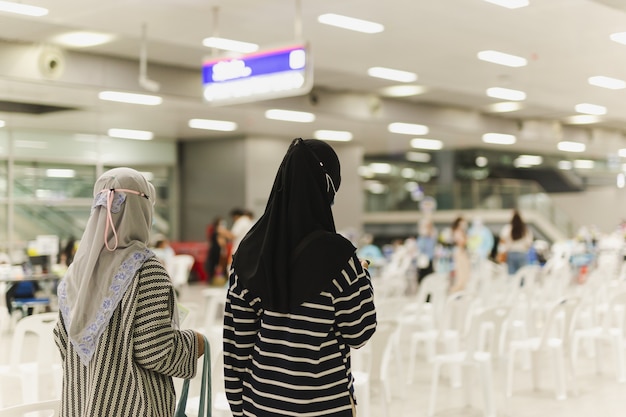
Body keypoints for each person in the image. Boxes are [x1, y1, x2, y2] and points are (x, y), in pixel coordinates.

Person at [223, 138, 377, 417]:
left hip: (261, 405)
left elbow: (237, 348)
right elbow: (360, 331)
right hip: (325, 405)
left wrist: (239, 411)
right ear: (326, 187)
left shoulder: (248, 253)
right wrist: (362, 276)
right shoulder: (339, 257)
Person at [53, 167, 205, 417]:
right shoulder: (147, 269)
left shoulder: (76, 272)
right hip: (134, 407)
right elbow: (156, 350)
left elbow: (62, 340)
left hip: (79, 405)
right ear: (141, 209)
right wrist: (195, 343)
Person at [499, 209, 533, 275]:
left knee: (512, 277)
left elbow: (502, 243)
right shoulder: (525, 230)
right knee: (523, 276)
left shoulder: (507, 228)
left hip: (511, 254)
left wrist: (501, 254)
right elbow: (529, 244)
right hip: (522, 254)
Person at [204, 216, 229, 283]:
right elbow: (221, 243)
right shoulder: (219, 231)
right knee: (220, 264)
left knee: (214, 264)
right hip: (217, 250)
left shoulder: (214, 230)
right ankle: (221, 279)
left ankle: (211, 279)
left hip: (213, 249)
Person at [449, 215, 470, 293]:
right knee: (461, 275)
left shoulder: (461, 232)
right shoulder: (457, 232)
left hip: (462, 252)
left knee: (465, 274)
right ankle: (454, 292)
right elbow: (461, 242)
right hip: (459, 252)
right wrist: (467, 239)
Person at [416, 217, 438, 285]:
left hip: (431, 261)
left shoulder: (432, 237)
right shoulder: (421, 238)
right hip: (423, 262)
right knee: (423, 279)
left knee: (431, 279)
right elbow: (421, 248)